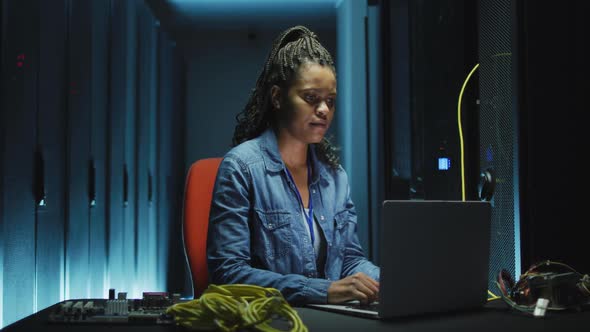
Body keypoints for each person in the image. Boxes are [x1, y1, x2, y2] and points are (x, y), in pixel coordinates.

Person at [207, 25, 379, 305]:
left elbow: (350, 261)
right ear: (277, 97)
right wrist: (324, 291)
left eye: (330, 101)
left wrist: (385, 282)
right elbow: (228, 273)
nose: (323, 110)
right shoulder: (241, 167)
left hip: (329, 320)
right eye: (311, 98)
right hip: (270, 320)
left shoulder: (336, 177)